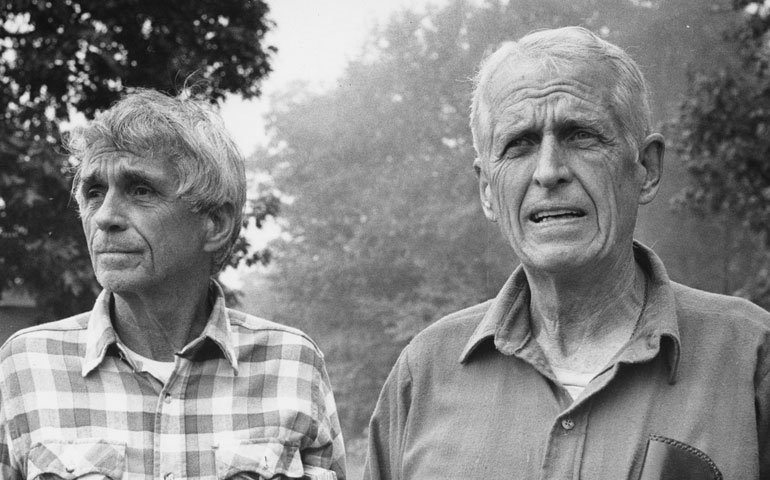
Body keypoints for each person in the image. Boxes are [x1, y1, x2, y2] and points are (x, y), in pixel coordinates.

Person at [364, 26, 770, 480]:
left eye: (581, 135)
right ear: (486, 190)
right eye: (519, 144)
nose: (549, 171)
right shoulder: (424, 374)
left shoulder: (752, 358)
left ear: (647, 169)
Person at [0, 89, 346, 479]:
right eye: (94, 192)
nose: (106, 217)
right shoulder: (26, 365)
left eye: (140, 190)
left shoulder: (292, 364)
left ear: (215, 223)